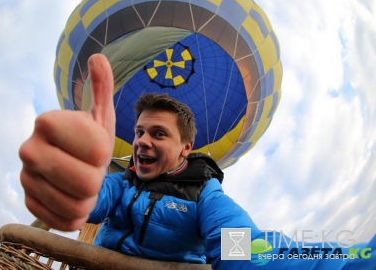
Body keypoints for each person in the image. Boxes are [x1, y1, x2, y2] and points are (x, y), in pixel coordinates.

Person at [20, 54, 375, 269]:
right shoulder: (121, 182)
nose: (142, 140)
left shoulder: (204, 194)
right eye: (140, 132)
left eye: (158, 134)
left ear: (185, 148)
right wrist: (75, 188)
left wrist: (347, 263)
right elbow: (95, 202)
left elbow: (240, 246)